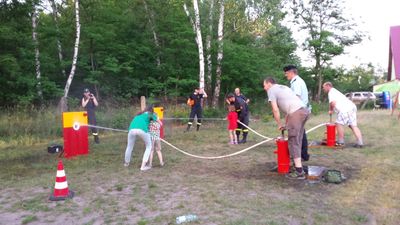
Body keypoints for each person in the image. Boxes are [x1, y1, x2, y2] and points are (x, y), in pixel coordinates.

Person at [263, 77, 309, 179]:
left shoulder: (271, 90)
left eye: (264, 85)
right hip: (304, 111)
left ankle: (299, 171)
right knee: (298, 139)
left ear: (269, 84)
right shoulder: (283, 87)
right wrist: (286, 123)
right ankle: (297, 165)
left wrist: (279, 124)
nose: (264, 88)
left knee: (293, 141)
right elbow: (290, 106)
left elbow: (275, 110)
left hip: (296, 113)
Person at [322, 82, 364, 148]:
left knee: (338, 123)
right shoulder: (335, 91)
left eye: (323, 87)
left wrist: (331, 110)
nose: (323, 89)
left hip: (345, 109)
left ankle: (340, 142)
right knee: (352, 125)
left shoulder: (331, 92)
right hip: (352, 107)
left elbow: (333, 103)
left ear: (328, 86)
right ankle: (360, 143)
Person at [283, 65, 310, 161]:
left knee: (295, 135)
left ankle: (298, 157)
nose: (286, 75)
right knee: (301, 133)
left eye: (286, 73)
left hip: (298, 111)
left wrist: (289, 111)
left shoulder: (296, 82)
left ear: (291, 72)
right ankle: (303, 155)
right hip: (303, 110)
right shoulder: (298, 81)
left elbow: (296, 98)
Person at [124, 105, 162, 171]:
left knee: (129, 146)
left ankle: (126, 163)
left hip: (131, 129)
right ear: (151, 110)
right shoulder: (151, 114)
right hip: (142, 129)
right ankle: (143, 167)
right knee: (149, 146)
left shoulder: (139, 115)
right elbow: (160, 123)